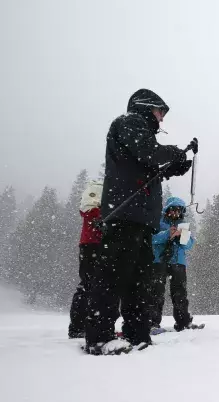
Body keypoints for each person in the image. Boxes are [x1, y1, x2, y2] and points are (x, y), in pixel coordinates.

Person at [84, 88, 197, 355]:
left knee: (139, 279)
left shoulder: (140, 133)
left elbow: (147, 165)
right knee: (114, 276)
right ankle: (99, 337)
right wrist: (172, 153)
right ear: (147, 107)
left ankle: (137, 333)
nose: (161, 119)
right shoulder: (129, 122)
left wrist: (174, 165)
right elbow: (148, 152)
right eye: (160, 112)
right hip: (124, 215)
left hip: (141, 220)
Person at [149, 196, 203, 333]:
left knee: (180, 293)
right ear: (167, 210)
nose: (175, 213)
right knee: (156, 292)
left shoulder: (183, 226)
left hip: (178, 262)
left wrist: (181, 236)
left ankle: (183, 322)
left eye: (178, 210)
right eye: (172, 210)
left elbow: (188, 245)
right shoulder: (158, 223)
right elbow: (150, 239)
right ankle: (152, 322)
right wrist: (167, 234)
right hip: (159, 261)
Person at [68, 178, 103, 339]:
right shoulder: (97, 189)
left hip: (95, 244)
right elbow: (87, 210)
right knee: (88, 285)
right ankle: (77, 326)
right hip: (92, 244)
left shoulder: (102, 190)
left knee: (93, 285)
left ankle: (87, 325)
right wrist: (103, 215)